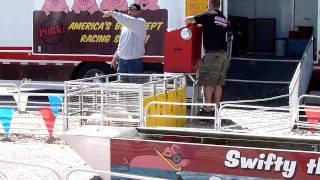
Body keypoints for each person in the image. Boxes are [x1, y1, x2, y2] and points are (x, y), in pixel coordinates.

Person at [184, 0, 230, 115]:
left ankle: (207, 109)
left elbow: (187, 20)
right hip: (223, 54)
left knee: (207, 82)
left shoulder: (208, 15)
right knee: (218, 83)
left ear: (210, 4)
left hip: (212, 54)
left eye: (207, 4)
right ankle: (217, 108)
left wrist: (198, 23)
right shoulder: (223, 18)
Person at [102, 3, 146, 74]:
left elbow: (126, 19)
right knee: (122, 84)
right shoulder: (125, 26)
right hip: (122, 61)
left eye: (133, 10)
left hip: (134, 61)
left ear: (139, 11)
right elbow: (122, 43)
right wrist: (115, 57)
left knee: (134, 84)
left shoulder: (141, 22)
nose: (130, 12)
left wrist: (113, 13)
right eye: (130, 10)